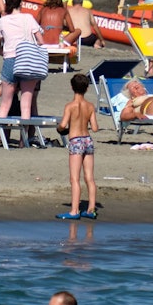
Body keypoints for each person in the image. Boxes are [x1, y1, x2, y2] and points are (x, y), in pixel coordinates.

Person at [0, 0, 44, 128]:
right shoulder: (28, 18)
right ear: (21, 3)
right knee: (26, 103)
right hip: (27, 60)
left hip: (10, 59)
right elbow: (40, 40)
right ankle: (24, 141)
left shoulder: (2, 20)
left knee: (5, 103)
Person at [55, 73, 99, 221]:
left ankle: (74, 210)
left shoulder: (70, 106)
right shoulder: (90, 106)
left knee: (74, 178)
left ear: (72, 87)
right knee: (90, 178)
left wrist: (61, 130)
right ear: (87, 88)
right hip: (88, 139)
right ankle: (91, 209)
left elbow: (62, 124)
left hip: (76, 140)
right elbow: (95, 128)